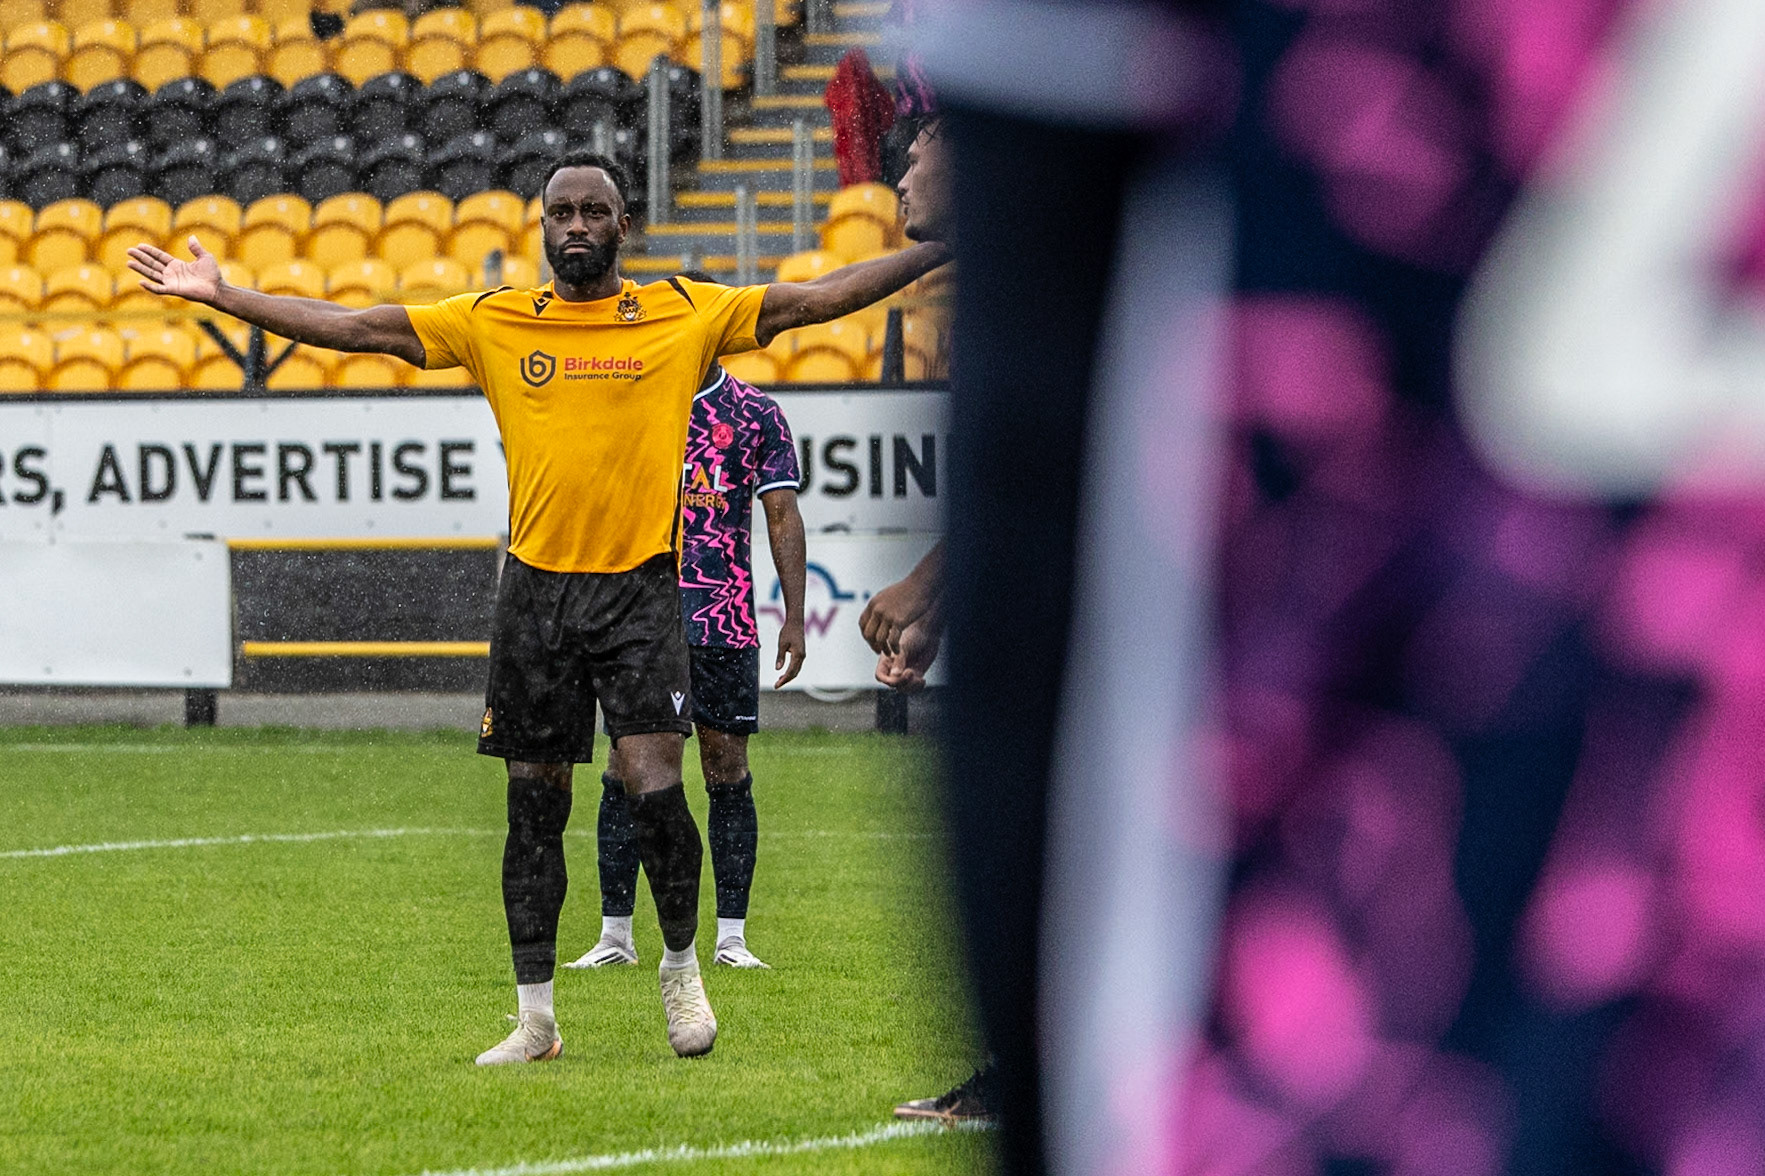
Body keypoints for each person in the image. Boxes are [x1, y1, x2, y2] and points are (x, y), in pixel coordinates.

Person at [126, 150, 950, 1065]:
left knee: (655, 796)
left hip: (641, 589)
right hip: (534, 595)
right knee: (532, 808)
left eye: (594, 210)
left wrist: (941, 247)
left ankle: (681, 971)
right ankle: (536, 1020)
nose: (577, 226)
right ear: (542, 227)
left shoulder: (683, 311)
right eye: (562, 212)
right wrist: (225, 295)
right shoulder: (495, 321)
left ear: (623, 225)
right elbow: (358, 327)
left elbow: (815, 299)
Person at [567, 355, 806, 972]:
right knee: (624, 767)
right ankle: (615, 936)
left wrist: (795, 615)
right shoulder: (632, 398)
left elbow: (782, 515)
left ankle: (732, 939)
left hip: (724, 620)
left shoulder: (756, 413)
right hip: (639, 622)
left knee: (726, 769)